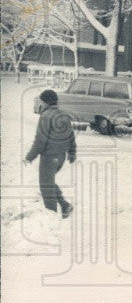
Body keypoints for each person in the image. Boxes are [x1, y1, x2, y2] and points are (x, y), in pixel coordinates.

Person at [24, 89, 76, 218]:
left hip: (49, 157)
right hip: (61, 156)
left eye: (41, 100)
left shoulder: (46, 116)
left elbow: (40, 140)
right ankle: (65, 205)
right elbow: (70, 135)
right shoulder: (63, 114)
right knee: (49, 182)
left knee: (46, 187)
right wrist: (72, 152)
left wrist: (30, 157)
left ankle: (51, 217)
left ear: (45, 102)